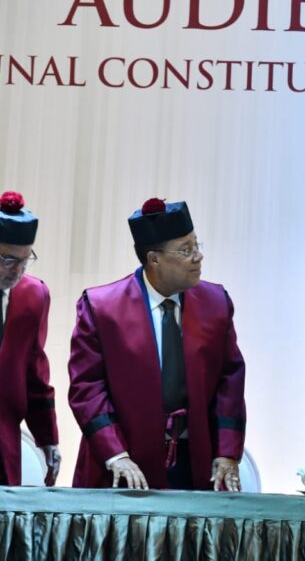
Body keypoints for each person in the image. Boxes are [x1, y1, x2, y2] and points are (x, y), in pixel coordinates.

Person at [68, 198, 246, 491]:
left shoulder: (216, 303)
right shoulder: (102, 308)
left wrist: (228, 451)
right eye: (185, 250)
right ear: (154, 259)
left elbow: (231, 379)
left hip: (195, 458)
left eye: (197, 245)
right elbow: (87, 387)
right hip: (124, 460)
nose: (198, 257)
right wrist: (115, 454)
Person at [0, 191, 60, 485]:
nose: (18, 271)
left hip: (3, 442)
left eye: (26, 260)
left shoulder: (33, 296)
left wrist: (47, 437)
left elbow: (35, 374)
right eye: (8, 259)